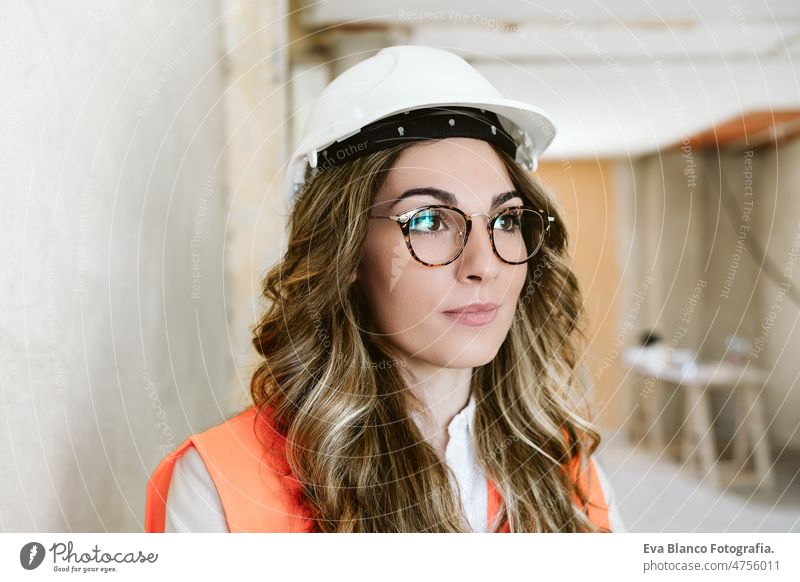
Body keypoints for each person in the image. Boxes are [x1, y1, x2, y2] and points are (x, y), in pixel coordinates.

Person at [144, 44, 626, 533]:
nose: (485, 264)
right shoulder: (220, 486)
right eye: (429, 220)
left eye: (505, 219)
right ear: (347, 249)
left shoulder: (566, 471)